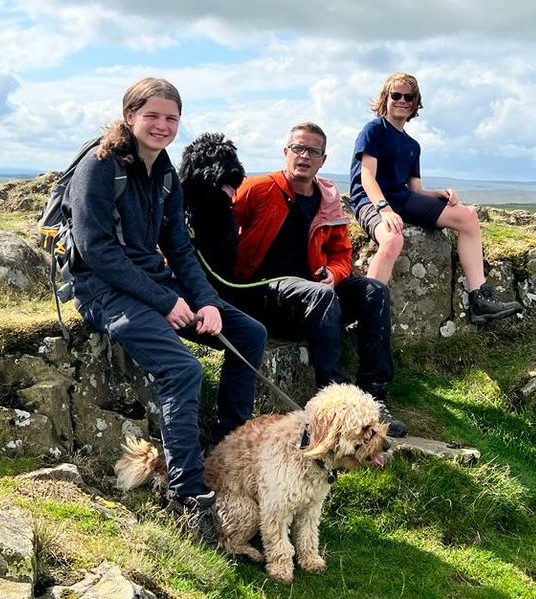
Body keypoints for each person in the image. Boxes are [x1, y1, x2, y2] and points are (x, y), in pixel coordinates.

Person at [64, 77, 267, 546]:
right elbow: (96, 250)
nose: (162, 125)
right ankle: (188, 497)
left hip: (152, 282)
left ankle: (229, 450)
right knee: (182, 369)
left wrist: (208, 303)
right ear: (130, 116)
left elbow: (179, 245)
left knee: (249, 334)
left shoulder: (166, 172)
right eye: (152, 115)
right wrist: (167, 302)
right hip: (101, 288)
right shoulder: (99, 167)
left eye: (171, 118)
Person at [227, 122, 408, 437]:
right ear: (285, 152)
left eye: (313, 151)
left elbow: (342, 255)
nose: (304, 156)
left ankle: (374, 395)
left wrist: (334, 274)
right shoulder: (258, 189)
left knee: (374, 291)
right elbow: (220, 227)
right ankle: (333, 399)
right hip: (261, 297)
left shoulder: (328, 197)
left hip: (312, 297)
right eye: (298, 148)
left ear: (323, 160)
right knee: (321, 295)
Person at [349, 72, 522, 325]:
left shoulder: (412, 145)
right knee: (392, 239)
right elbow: (367, 178)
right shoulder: (374, 130)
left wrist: (438, 194)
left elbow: (415, 189)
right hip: (370, 199)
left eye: (409, 97)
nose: (402, 101)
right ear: (385, 98)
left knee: (468, 217)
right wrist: (384, 209)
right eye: (396, 95)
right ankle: (366, 313)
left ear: (415, 103)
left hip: (402, 198)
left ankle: (480, 298)